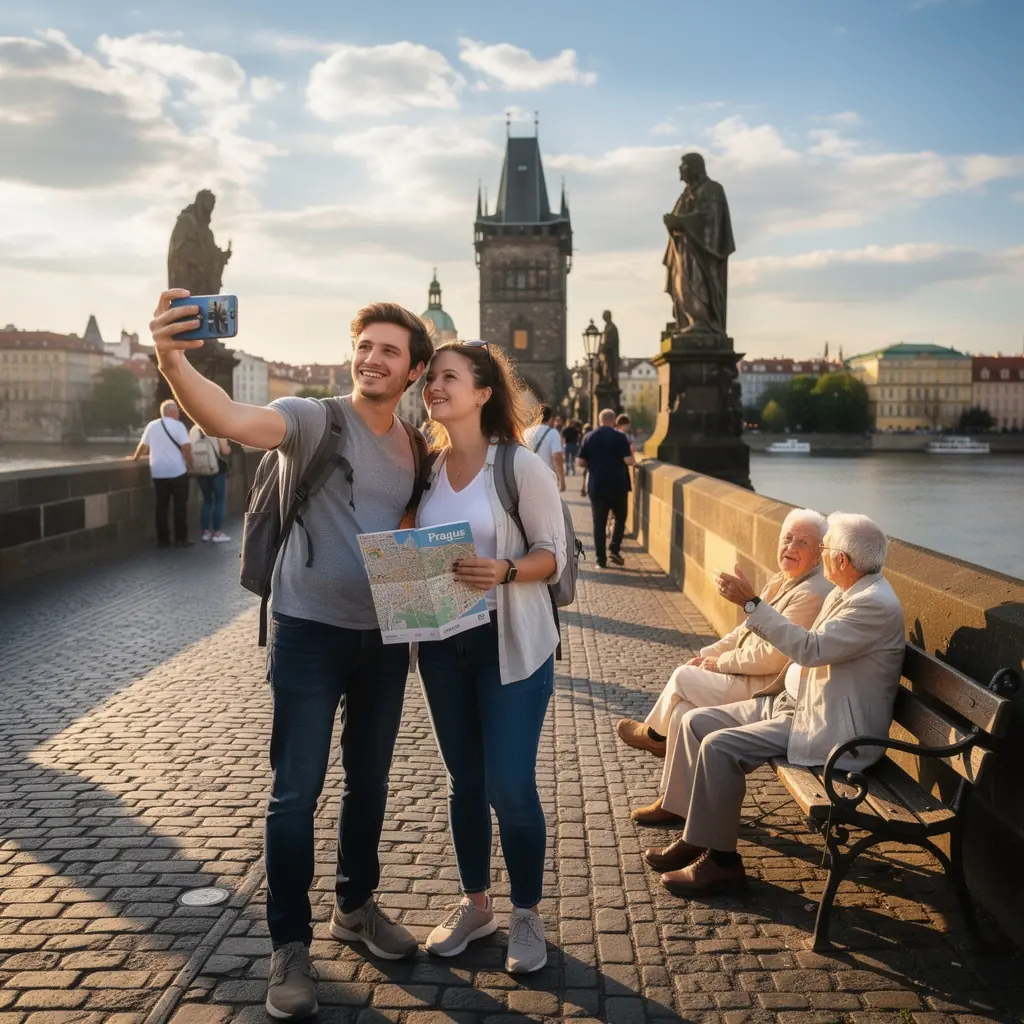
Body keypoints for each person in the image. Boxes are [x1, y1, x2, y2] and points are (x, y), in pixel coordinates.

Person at [149, 290, 434, 1020]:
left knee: (369, 783)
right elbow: (227, 418)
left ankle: (356, 907)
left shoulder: (416, 447)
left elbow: (418, 542)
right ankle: (289, 945)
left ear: (413, 371)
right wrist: (171, 359)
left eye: (389, 351)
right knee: (295, 793)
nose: (372, 359)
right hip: (308, 631)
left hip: (383, 639)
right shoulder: (313, 418)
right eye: (364, 346)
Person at [642, 513, 905, 898]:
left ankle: (723, 864)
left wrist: (752, 603)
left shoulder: (872, 604)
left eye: (824, 547)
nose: (822, 553)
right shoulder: (847, 589)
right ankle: (694, 838)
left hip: (831, 729)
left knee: (719, 746)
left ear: (841, 560)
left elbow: (811, 649)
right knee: (694, 723)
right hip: (795, 705)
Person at [414, 340, 565, 974]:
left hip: (511, 645)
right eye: (429, 377)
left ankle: (526, 914)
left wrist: (504, 569)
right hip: (442, 644)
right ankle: (476, 906)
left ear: (482, 393)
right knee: (465, 783)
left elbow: (553, 555)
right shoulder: (426, 468)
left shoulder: (519, 466)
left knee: (510, 785)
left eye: (448, 377)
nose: (433, 386)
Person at [618, 509, 833, 824]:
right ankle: (675, 802)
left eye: (803, 543)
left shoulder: (813, 592)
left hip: (764, 688)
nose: (791, 547)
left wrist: (719, 664)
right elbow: (743, 632)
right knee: (682, 712)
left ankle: (654, 735)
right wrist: (706, 654)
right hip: (745, 675)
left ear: (819, 555)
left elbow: (774, 657)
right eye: (787, 538)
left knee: (682, 677)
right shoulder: (783, 579)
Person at [577, 408, 635, 568]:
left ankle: (600, 560)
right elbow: (629, 461)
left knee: (599, 522)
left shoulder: (589, 437)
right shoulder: (620, 437)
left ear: (600, 420)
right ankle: (614, 548)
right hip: (618, 485)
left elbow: (580, 462)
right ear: (614, 420)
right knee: (620, 517)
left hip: (597, 486)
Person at [131, 399, 194, 549]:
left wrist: (135, 458)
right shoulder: (179, 426)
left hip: (158, 472)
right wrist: (190, 464)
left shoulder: (151, 425)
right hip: (177, 471)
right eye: (177, 411)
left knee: (161, 506)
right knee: (180, 506)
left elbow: (143, 445)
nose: (178, 414)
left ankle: (163, 539)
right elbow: (186, 448)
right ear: (171, 412)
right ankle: (181, 539)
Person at [188, 424, 233, 542]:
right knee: (219, 501)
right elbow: (225, 450)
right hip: (215, 469)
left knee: (207, 500)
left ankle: (205, 532)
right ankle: (217, 533)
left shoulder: (193, 430)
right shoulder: (215, 426)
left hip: (200, 469)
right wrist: (229, 447)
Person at [523, 404, 566, 492]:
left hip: (527, 479)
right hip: (547, 479)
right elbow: (556, 456)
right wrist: (562, 480)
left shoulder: (526, 433)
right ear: (550, 418)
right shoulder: (553, 433)